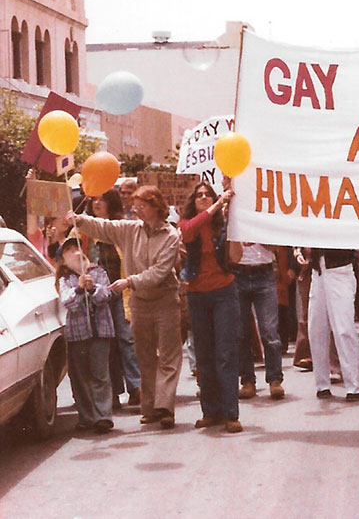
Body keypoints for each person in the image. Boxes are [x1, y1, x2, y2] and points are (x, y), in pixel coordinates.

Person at [69, 185, 182, 429]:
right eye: (136, 206)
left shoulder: (171, 236)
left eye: (143, 206)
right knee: (144, 354)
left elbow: (160, 272)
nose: (138, 210)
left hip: (165, 299)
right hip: (140, 301)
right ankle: (150, 408)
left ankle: (165, 408)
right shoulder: (131, 229)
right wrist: (80, 220)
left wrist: (129, 281)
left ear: (156, 207)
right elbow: (105, 227)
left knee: (168, 355)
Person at [179, 183, 244, 433]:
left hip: (223, 292)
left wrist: (235, 223)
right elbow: (188, 231)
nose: (204, 198)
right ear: (193, 201)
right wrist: (218, 204)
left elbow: (236, 257)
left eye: (208, 195)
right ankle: (210, 411)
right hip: (197, 295)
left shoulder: (224, 225)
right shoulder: (188, 223)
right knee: (204, 355)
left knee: (225, 353)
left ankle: (230, 413)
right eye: (199, 195)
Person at [86, 189, 142, 409]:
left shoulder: (121, 226)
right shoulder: (83, 229)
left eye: (102, 199)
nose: (98, 203)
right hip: (97, 295)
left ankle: (136, 387)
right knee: (104, 343)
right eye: (94, 199)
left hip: (121, 290)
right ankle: (113, 393)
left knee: (127, 338)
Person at [55, 238, 116, 434]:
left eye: (77, 248)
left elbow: (105, 297)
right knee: (80, 377)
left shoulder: (98, 272)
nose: (75, 252)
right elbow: (68, 302)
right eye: (69, 250)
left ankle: (103, 417)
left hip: (100, 331)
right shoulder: (65, 280)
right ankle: (87, 417)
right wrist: (80, 289)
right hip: (78, 334)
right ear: (63, 260)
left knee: (100, 374)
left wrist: (93, 288)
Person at [308, 248, 359, 401]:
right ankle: (322, 384)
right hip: (317, 270)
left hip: (340, 269)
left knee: (344, 328)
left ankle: (353, 385)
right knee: (316, 328)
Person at [234, 243, 285, 399]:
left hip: (264, 271)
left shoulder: (266, 216)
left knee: (269, 329)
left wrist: (257, 237)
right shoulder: (230, 217)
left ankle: (275, 379)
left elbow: (275, 245)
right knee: (240, 332)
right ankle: (247, 380)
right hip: (237, 272)